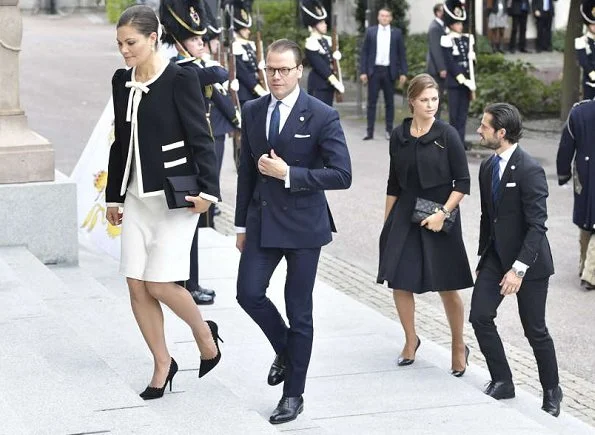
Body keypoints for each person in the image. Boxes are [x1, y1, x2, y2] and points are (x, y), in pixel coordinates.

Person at [105, 5, 222, 400]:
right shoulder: (122, 82)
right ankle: (162, 363)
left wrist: (208, 193)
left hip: (178, 197)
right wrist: (113, 196)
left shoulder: (180, 78)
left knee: (159, 283)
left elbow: (201, 138)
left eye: (131, 42)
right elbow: (120, 142)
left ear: (153, 37)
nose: (124, 50)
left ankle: (205, 335)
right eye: (120, 43)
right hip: (136, 198)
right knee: (136, 286)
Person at [234, 39, 352, 424]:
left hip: (304, 225)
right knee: (248, 293)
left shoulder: (321, 114)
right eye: (271, 69)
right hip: (262, 222)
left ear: (299, 70)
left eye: (284, 69)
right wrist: (239, 225)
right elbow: (246, 172)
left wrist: (290, 174)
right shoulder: (252, 109)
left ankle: (293, 395)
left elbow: (342, 174)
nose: (277, 76)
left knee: (299, 311)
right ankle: (286, 349)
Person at [377, 73, 473, 377]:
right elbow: (393, 182)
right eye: (424, 100)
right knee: (400, 281)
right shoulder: (398, 134)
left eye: (435, 99)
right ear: (412, 102)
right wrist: (387, 223)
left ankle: (459, 346)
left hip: (439, 213)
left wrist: (443, 213)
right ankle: (410, 340)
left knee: (447, 285)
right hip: (405, 212)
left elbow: (463, 182)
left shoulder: (448, 135)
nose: (431, 105)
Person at [471, 102, 562, 417]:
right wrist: (484, 258)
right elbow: (488, 218)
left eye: (484, 126)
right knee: (480, 316)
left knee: (534, 330)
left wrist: (518, 270)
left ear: (501, 133)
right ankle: (503, 380)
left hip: (530, 262)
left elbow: (537, 226)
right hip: (496, 256)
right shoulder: (487, 166)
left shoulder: (529, 169)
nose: (479, 130)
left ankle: (552, 391)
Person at [160, 0, 230, 305]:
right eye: (194, 39)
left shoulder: (191, 66)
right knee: (187, 227)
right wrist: (215, 68)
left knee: (192, 226)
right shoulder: (179, 68)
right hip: (183, 157)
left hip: (192, 155)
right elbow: (214, 75)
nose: (200, 43)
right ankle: (186, 285)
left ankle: (191, 283)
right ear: (178, 41)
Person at [557, 98, 595, 289]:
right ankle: (590, 274)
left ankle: (585, 266)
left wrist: (563, 173)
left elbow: (566, 145)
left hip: (585, 173)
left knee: (587, 219)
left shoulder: (579, 112)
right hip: (586, 172)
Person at [359, 7, 408, 141]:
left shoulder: (396, 33)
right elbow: (365, 53)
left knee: (389, 103)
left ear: (391, 18)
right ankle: (369, 131)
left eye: (387, 16)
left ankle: (389, 130)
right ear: (378, 17)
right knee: (371, 102)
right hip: (374, 70)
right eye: (382, 15)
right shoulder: (371, 32)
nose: (384, 18)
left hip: (389, 71)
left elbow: (401, 54)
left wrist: (403, 72)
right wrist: (363, 71)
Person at [441, 0, 476, 149]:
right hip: (455, 83)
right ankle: (453, 144)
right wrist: (462, 80)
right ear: (451, 24)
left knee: (463, 116)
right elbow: (451, 63)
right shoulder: (446, 40)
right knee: (454, 116)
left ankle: (460, 142)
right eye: (457, 23)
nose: (460, 26)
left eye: (461, 23)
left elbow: (469, 64)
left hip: (467, 82)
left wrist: (473, 60)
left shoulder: (467, 39)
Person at [301, 0, 344, 106]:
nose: (325, 25)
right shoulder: (311, 43)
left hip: (328, 86)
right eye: (321, 23)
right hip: (318, 85)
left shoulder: (326, 40)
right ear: (314, 25)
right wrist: (335, 82)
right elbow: (321, 67)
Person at [226, 0, 268, 106]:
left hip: (255, 91)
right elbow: (243, 73)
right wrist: (257, 89)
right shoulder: (235, 46)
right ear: (238, 28)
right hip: (245, 94)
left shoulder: (247, 45)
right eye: (245, 29)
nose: (248, 31)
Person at [426, 3, 447, 120]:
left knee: (438, 99)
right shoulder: (435, 27)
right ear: (438, 13)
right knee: (435, 99)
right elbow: (435, 50)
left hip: (438, 69)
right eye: (443, 11)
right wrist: (441, 68)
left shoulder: (441, 26)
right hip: (436, 70)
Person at [576, 0, 595, 100]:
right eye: (592, 25)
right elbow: (584, 62)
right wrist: (593, 75)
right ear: (588, 25)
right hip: (590, 83)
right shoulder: (581, 41)